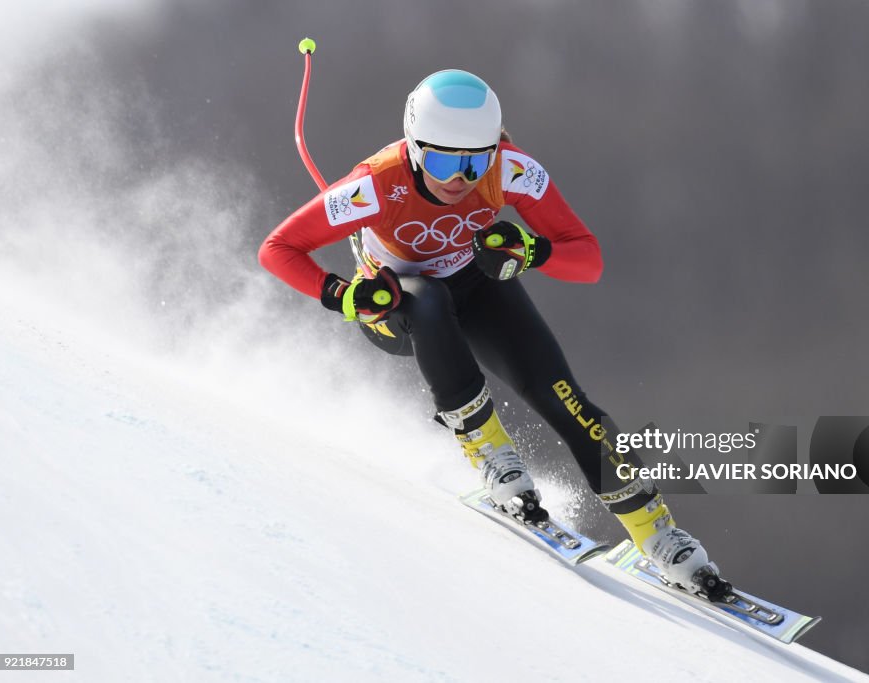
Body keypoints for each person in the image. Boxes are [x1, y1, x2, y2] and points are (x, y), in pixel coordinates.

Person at [258, 69, 717, 592]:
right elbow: (277, 250)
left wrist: (533, 250)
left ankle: (656, 533)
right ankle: (489, 450)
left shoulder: (511, 169)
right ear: (413, 148)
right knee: (427, 299)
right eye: (443, 161)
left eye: (475, 161)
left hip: (474, 289)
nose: (459, 178)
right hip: (397, 310)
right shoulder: (374, 184)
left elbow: (588, 260)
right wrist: (343, 295)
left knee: (569, 403)